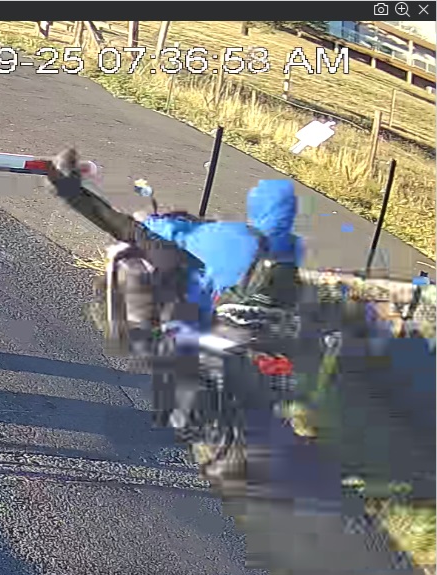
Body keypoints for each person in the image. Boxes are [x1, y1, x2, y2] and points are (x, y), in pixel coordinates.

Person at [44, 149, 302, 435]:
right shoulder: (242, 235)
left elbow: (114, 221)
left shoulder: (165, 236)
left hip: (226, 316)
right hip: (276, 311)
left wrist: (68, 188)